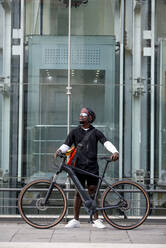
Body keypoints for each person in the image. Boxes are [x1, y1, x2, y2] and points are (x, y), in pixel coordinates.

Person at [55, 107, 119, 229]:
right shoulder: (74, 132)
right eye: (80, 114)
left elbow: (106, 142)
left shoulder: (96, 132)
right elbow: (66, 144)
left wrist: (115, 151)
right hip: (78, 167)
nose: (81, 116)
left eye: (84, 114)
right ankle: (75, 220)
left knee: (93, 192)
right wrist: (59, 150)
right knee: (78, 193)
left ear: (90, 118)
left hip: (92, 166)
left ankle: (96, 220)